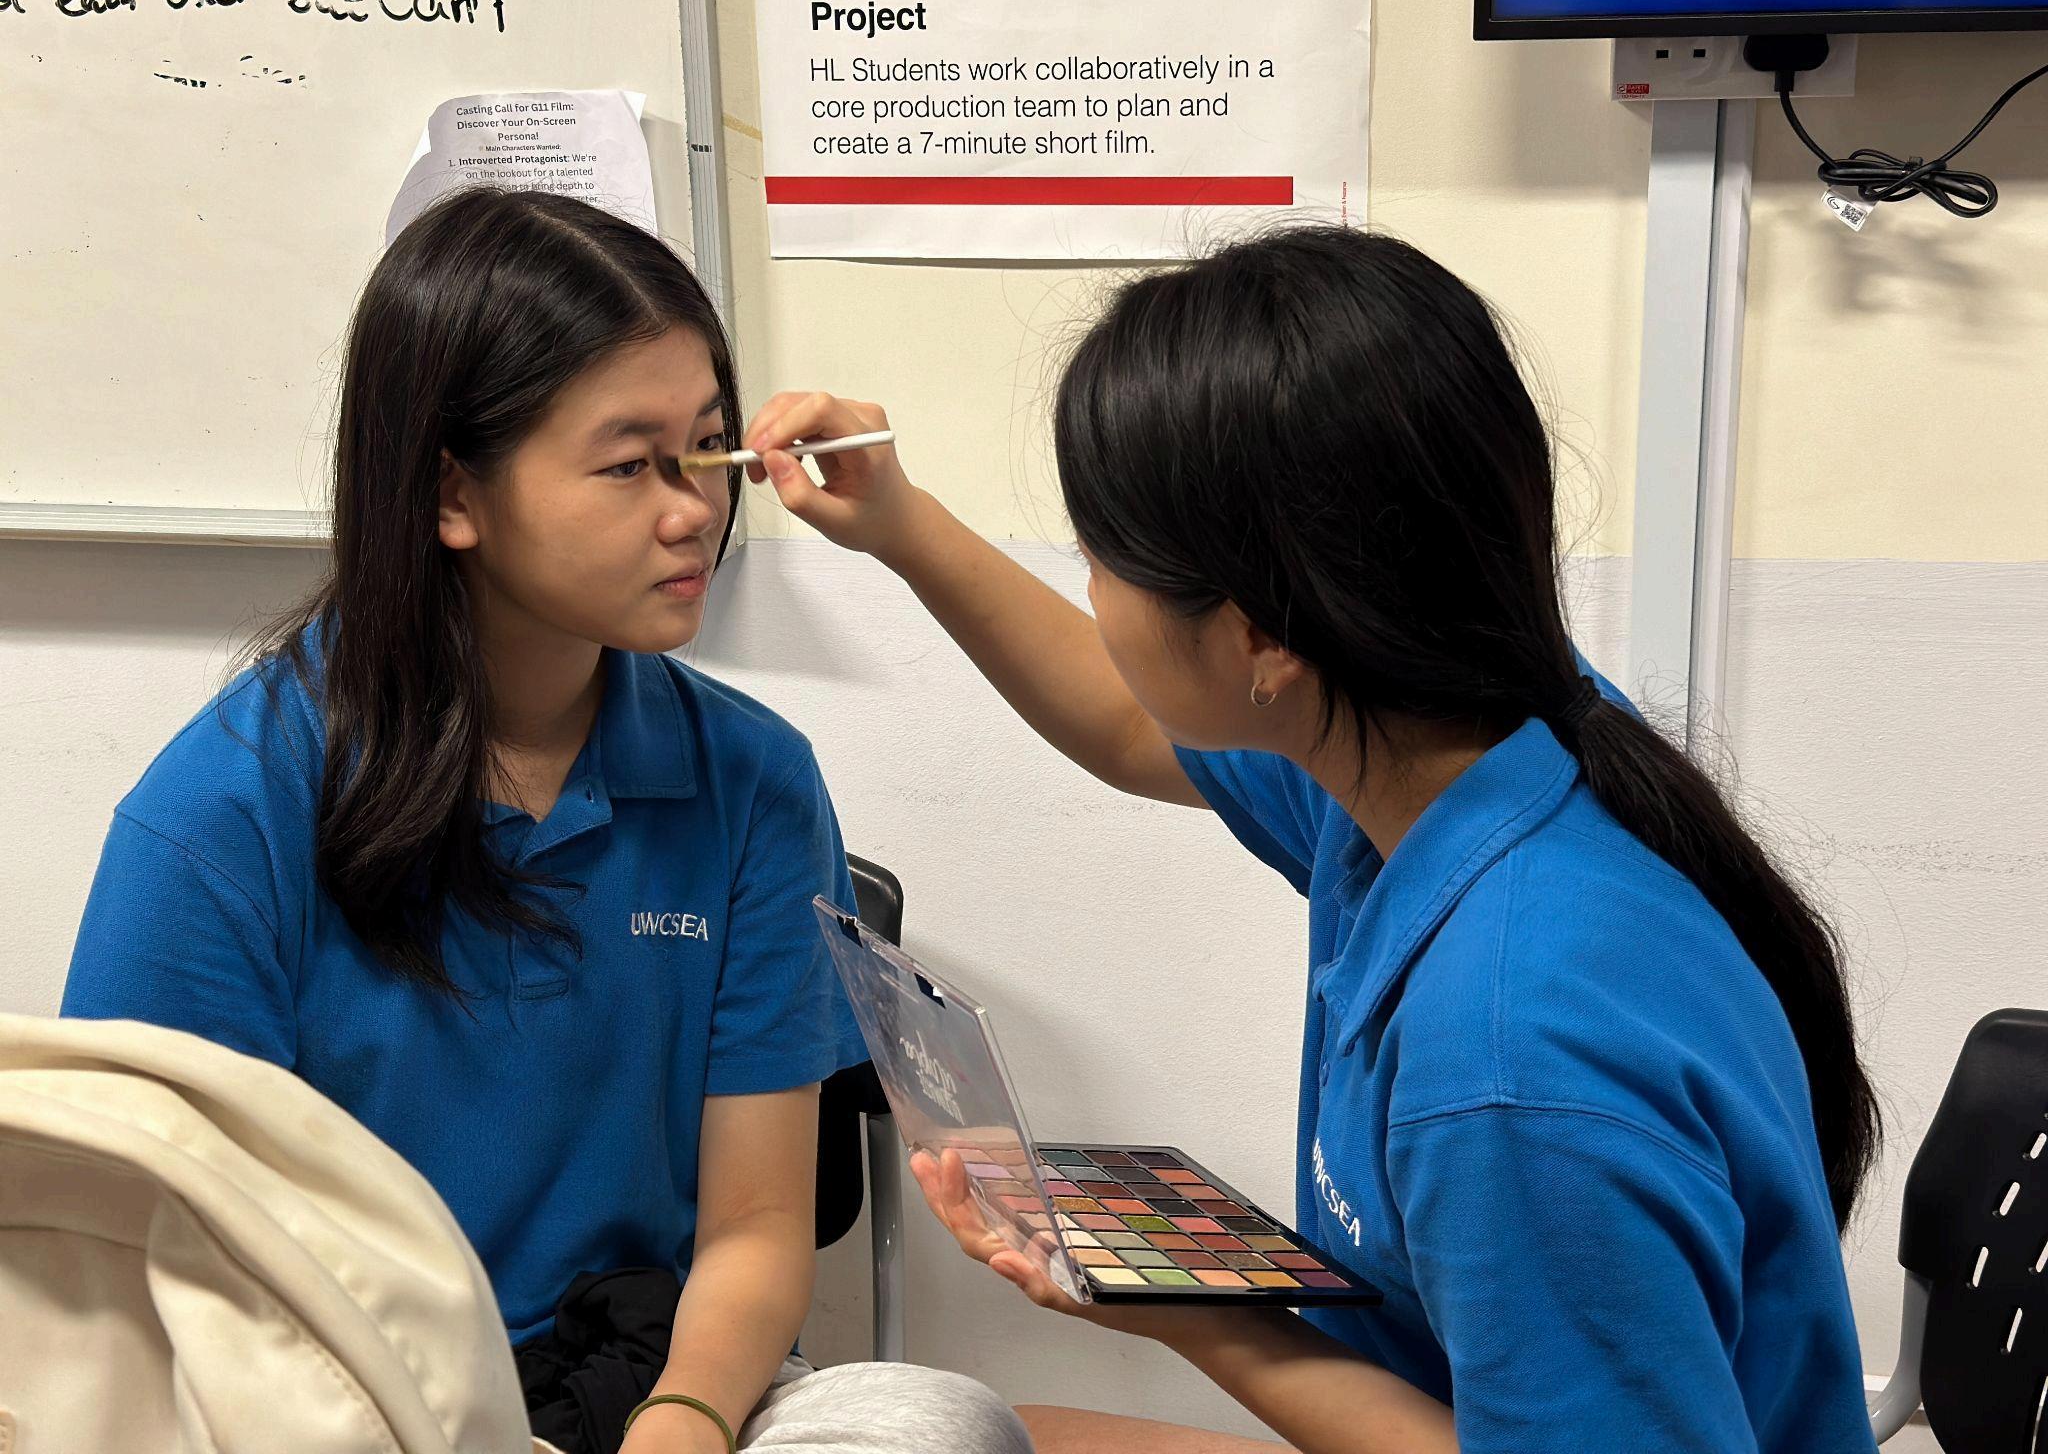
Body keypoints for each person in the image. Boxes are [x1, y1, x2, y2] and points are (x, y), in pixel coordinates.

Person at [742, 226, 1881, 1454]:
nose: (1092, 593)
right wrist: (900, 523)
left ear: (1257, 641)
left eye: (1098, 560)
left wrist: (1189, 1310)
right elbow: (1123, 719)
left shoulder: (1507, 1064)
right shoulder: (1453, 744)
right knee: (1011, 1430)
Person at [63, 189, 1031, 1454]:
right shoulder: (226, 806)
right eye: (629, 466)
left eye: (706, 450)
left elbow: (753, 1229)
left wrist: (683, 1420)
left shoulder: (753, 779)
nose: (693, 511)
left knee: (939, 1423)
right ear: (452, 494)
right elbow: (145, 1254)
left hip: (645, 1380)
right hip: (332, 1401)